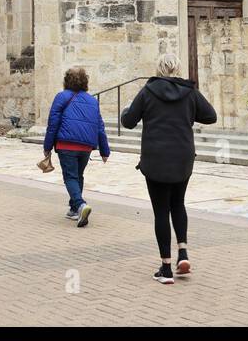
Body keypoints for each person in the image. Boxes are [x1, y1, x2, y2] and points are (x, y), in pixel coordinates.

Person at [120, 53, 217, 284]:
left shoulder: (148, 91)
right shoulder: (189, 91)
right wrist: (188, 114)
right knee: (178, 203)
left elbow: (129, 121)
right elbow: (211, 116)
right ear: (177, 68)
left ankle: (165, 269)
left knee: (161, 210)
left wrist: (126, 110)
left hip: (155, 158)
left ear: (160, 68)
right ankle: (183, 253)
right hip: (182, 156)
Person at [41, 67, 109, 227]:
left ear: (67, 81)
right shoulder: (92, 100)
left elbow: (53, 123)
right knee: (78, 176)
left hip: (66, 144)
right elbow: (100, 126)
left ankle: (80, 205)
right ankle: (73, 209)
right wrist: (104, 150)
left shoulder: (61, 97)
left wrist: (47, 146)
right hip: (86, 146)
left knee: (70, 177)